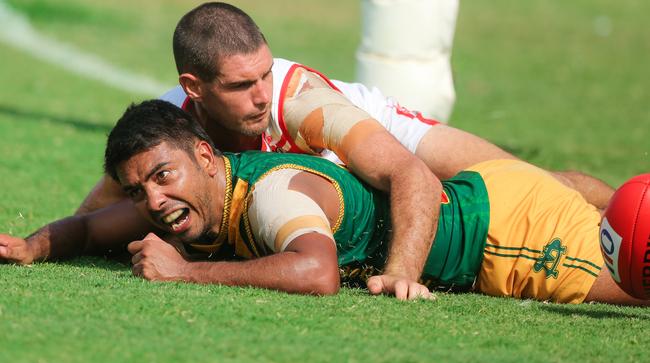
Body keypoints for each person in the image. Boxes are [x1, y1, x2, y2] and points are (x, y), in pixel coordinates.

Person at [74, 2, 613, 297]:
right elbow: (105, 207)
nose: (261, 96)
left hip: (377, 134)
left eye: (266, 73)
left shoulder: (301, 104)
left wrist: (403, 273)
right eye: (241, 86)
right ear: (194, 88)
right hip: (317, 179)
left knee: (536, 184)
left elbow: (410, 175)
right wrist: (43, 245)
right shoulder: (169, 126)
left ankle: (628, 208)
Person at [1, 100, 645, 305]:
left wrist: (187, 271)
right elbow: (91, 230)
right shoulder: (195, 195)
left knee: (639, 281)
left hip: (504, 239)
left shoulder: (271, 197)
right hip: (492, 191)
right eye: (140, 188)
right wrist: (32, 247)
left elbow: (318, 273)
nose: (155, 200)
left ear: (204, 154)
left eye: (163, 176)